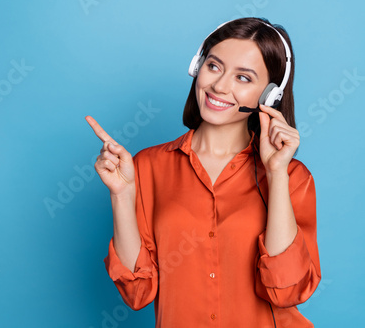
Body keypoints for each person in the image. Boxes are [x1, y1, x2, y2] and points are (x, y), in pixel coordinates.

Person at [85, 17, 321, 328]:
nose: (220, 86)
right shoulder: (148, 166)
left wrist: (276, 174)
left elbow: (287, 290)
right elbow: (137, 292)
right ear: (198, 66)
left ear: (270, 96)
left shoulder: (292, 178)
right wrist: (122, 194)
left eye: (244, 78)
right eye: (214, 66)